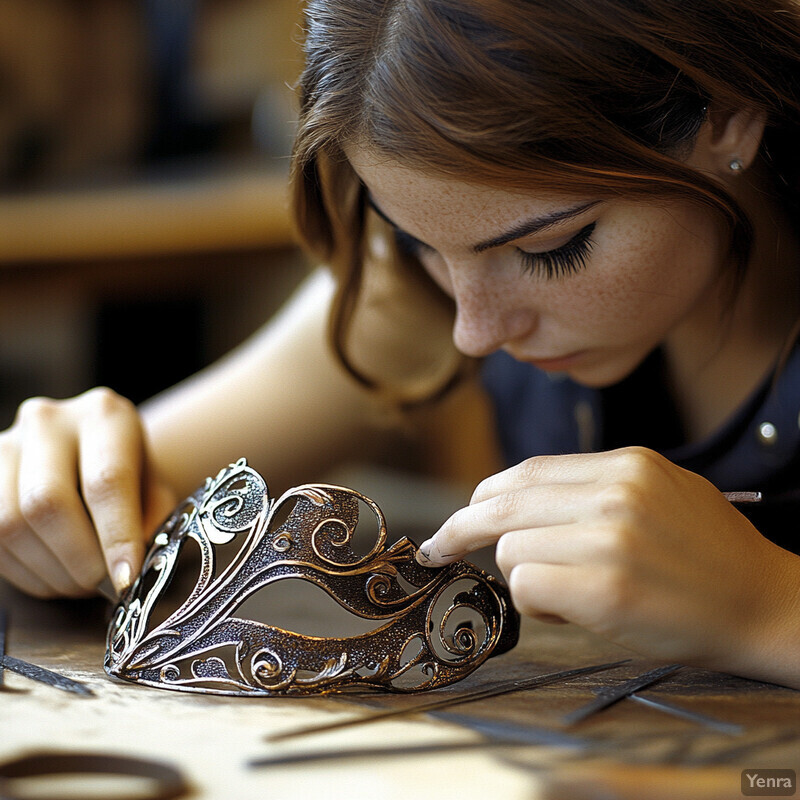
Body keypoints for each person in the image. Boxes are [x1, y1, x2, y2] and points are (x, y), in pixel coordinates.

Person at [1, 0, 799, 689]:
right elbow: (128, 491)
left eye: (550, 249)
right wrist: (53, 483)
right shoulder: (419, 287)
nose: (474, 330)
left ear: (725, 113)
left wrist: (769, 607)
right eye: (415, 239)